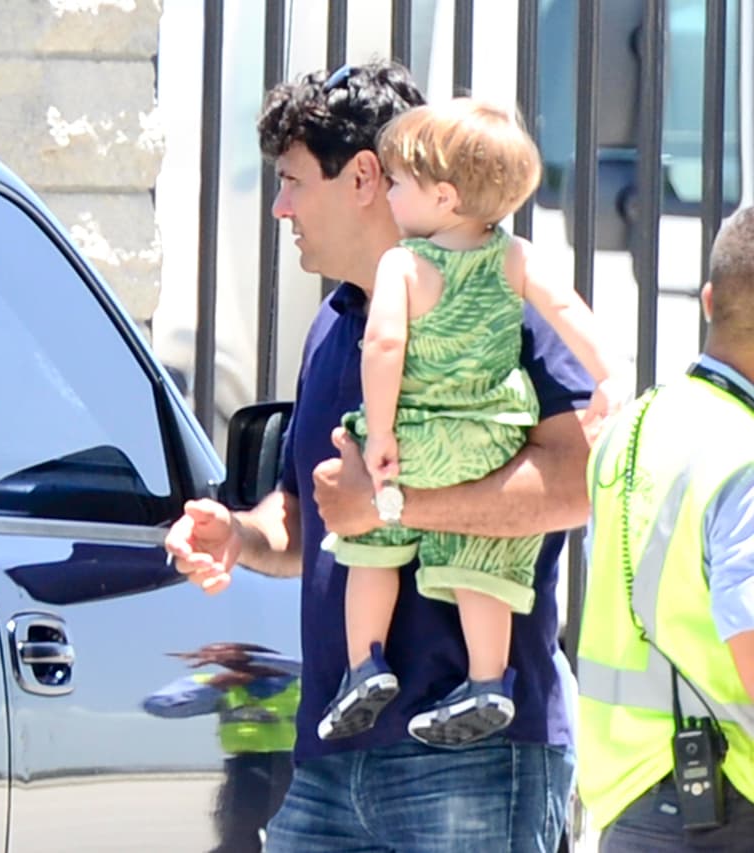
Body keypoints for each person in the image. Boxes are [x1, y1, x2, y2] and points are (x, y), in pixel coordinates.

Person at [164, 62, 592, 851]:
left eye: (292, 181)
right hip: (328, 762)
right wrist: (239, 534)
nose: (279, 206)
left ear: (364, 176)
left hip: (474, 760)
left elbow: (577, 481)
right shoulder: (334, 324)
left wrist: (393, 506)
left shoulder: (499, 299)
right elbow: (313, 508)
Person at [319, 98, 626, 746]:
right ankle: (489, 678)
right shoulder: (513, 256)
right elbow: (567, 308)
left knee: (371, 542)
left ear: (446, 197)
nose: (391, 195)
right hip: (493, 436)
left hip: (422, 437)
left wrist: (379, 436)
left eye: (400, 183)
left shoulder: (404, 264)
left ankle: (363, 664)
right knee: (477, 557)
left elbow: (382, 348)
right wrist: (611, 378)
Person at [577, 207, 754, 849]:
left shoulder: (636, 423)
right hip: (731, 803)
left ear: (709, 300)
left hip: (632, 800)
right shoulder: (745, 455)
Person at [143, 643, 300, 853]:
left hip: (294, 770)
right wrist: (216, 686)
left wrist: (254, 659)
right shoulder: (226, 686)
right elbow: (158, 705)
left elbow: (308, 668)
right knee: (237, 843)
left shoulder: (300, 684)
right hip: (246, 772)